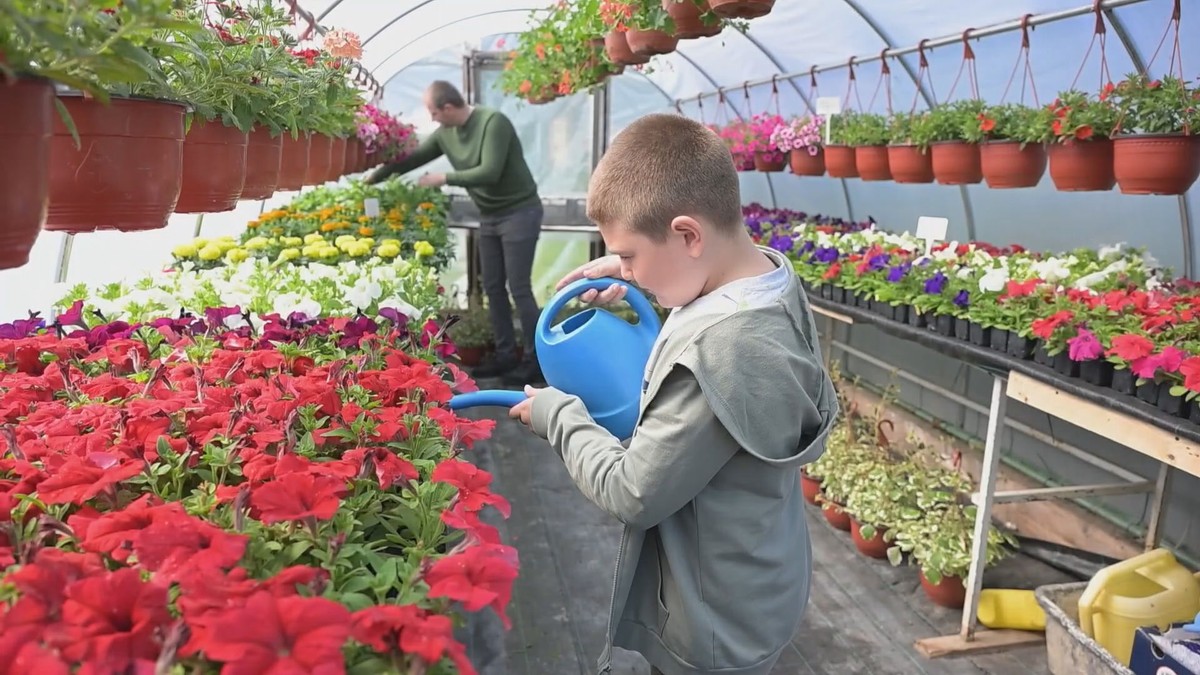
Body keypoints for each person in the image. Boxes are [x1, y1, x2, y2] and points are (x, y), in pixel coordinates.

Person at [508, 113, 840, 675]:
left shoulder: (720, 355)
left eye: (631, 254)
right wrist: (637, 269)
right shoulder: (769, 283)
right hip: (760, 578)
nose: (627, 269)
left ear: (687, 234)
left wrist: (558, 414)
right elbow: (713, 298)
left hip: (713, 623)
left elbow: (632, 492)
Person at [366, 80, 544, 385]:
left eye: (434, 112)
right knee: (492, 287)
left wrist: (443, 177)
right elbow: (413, 159)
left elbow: (490, 171)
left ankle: (535, 360)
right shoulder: (445, 133)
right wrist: (372, 179)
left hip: (519, 212)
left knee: (519, 288)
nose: (432, 119)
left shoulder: (492, 123)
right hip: (489, 216)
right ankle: (504, 357)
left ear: (448, 107)